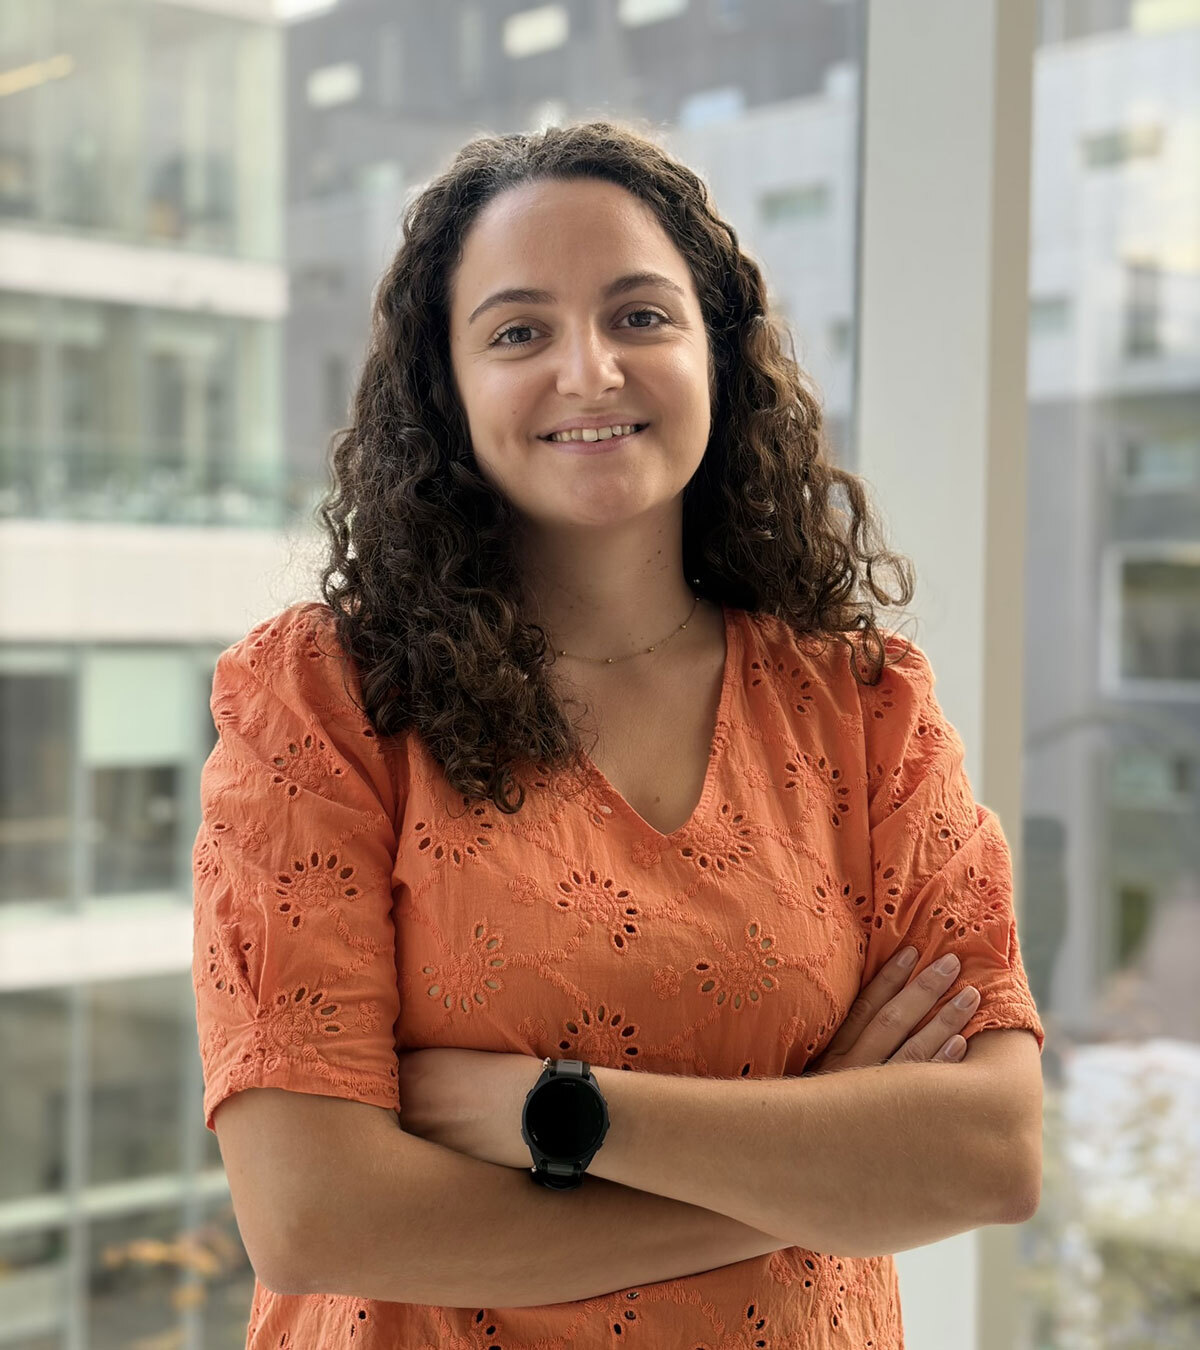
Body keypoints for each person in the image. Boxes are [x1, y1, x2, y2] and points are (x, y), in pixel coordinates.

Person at [192, 119, 1045, 1348]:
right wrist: (817, 1168)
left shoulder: (867, 710)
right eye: (518, 332)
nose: (589, 371)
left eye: (640, 316)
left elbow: (991, 1152)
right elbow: (314, 1214)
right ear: (446, 390)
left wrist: (560, 1114)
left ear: (718, 356)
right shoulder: (324, 700)